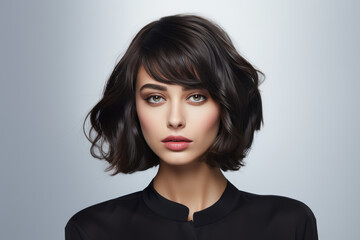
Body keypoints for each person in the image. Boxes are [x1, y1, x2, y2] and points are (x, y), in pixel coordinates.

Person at [65, 14, 318, 240]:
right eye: (155, 98)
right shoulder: (93, 231)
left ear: (226, 103)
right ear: (134, 109)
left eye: (196, 96)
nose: (175, 119)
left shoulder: (288, 224)